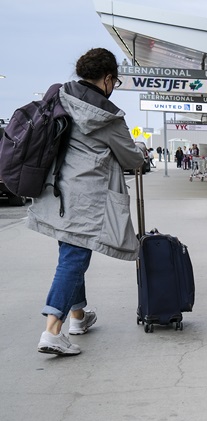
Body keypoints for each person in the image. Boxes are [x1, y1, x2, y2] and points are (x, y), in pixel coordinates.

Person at [27, 47, 146, 356]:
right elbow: (131, 158)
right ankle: (52, 330)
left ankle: (78, 317)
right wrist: (140, 151)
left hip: (56, 191)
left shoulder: (60, 96)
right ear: (107, 79)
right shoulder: (107, 116)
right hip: (87, 199)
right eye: (114, 82)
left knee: (70, 250)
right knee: (74, 259)